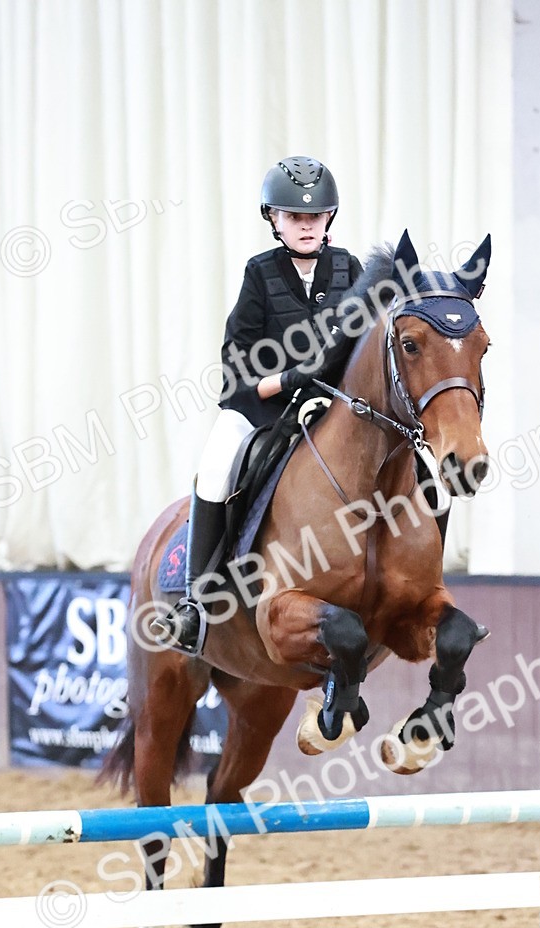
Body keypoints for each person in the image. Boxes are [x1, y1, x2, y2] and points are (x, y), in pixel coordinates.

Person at [163, 156, 362, 655]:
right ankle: (196, 603)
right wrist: (287, 378)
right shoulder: (261, 273)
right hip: (266, 407)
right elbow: (236, 365)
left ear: (328, 219)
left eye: (314, 217)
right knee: (215, 467)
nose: (305, 225)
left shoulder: (350, 269)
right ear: (273, 219)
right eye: (294, 217)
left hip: (335, 408)